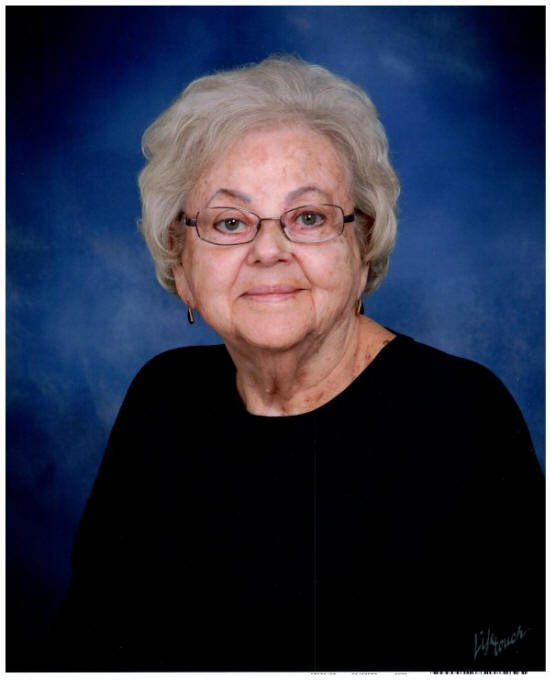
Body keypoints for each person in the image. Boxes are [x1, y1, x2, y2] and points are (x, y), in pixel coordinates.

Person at [47, 56, 544, 672]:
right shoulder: (163, 398)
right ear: (182, 264)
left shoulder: (462, 416)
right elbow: (85, 648)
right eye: (230, 221)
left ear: (363, 247)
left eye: (308, 217)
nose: (269, 250)